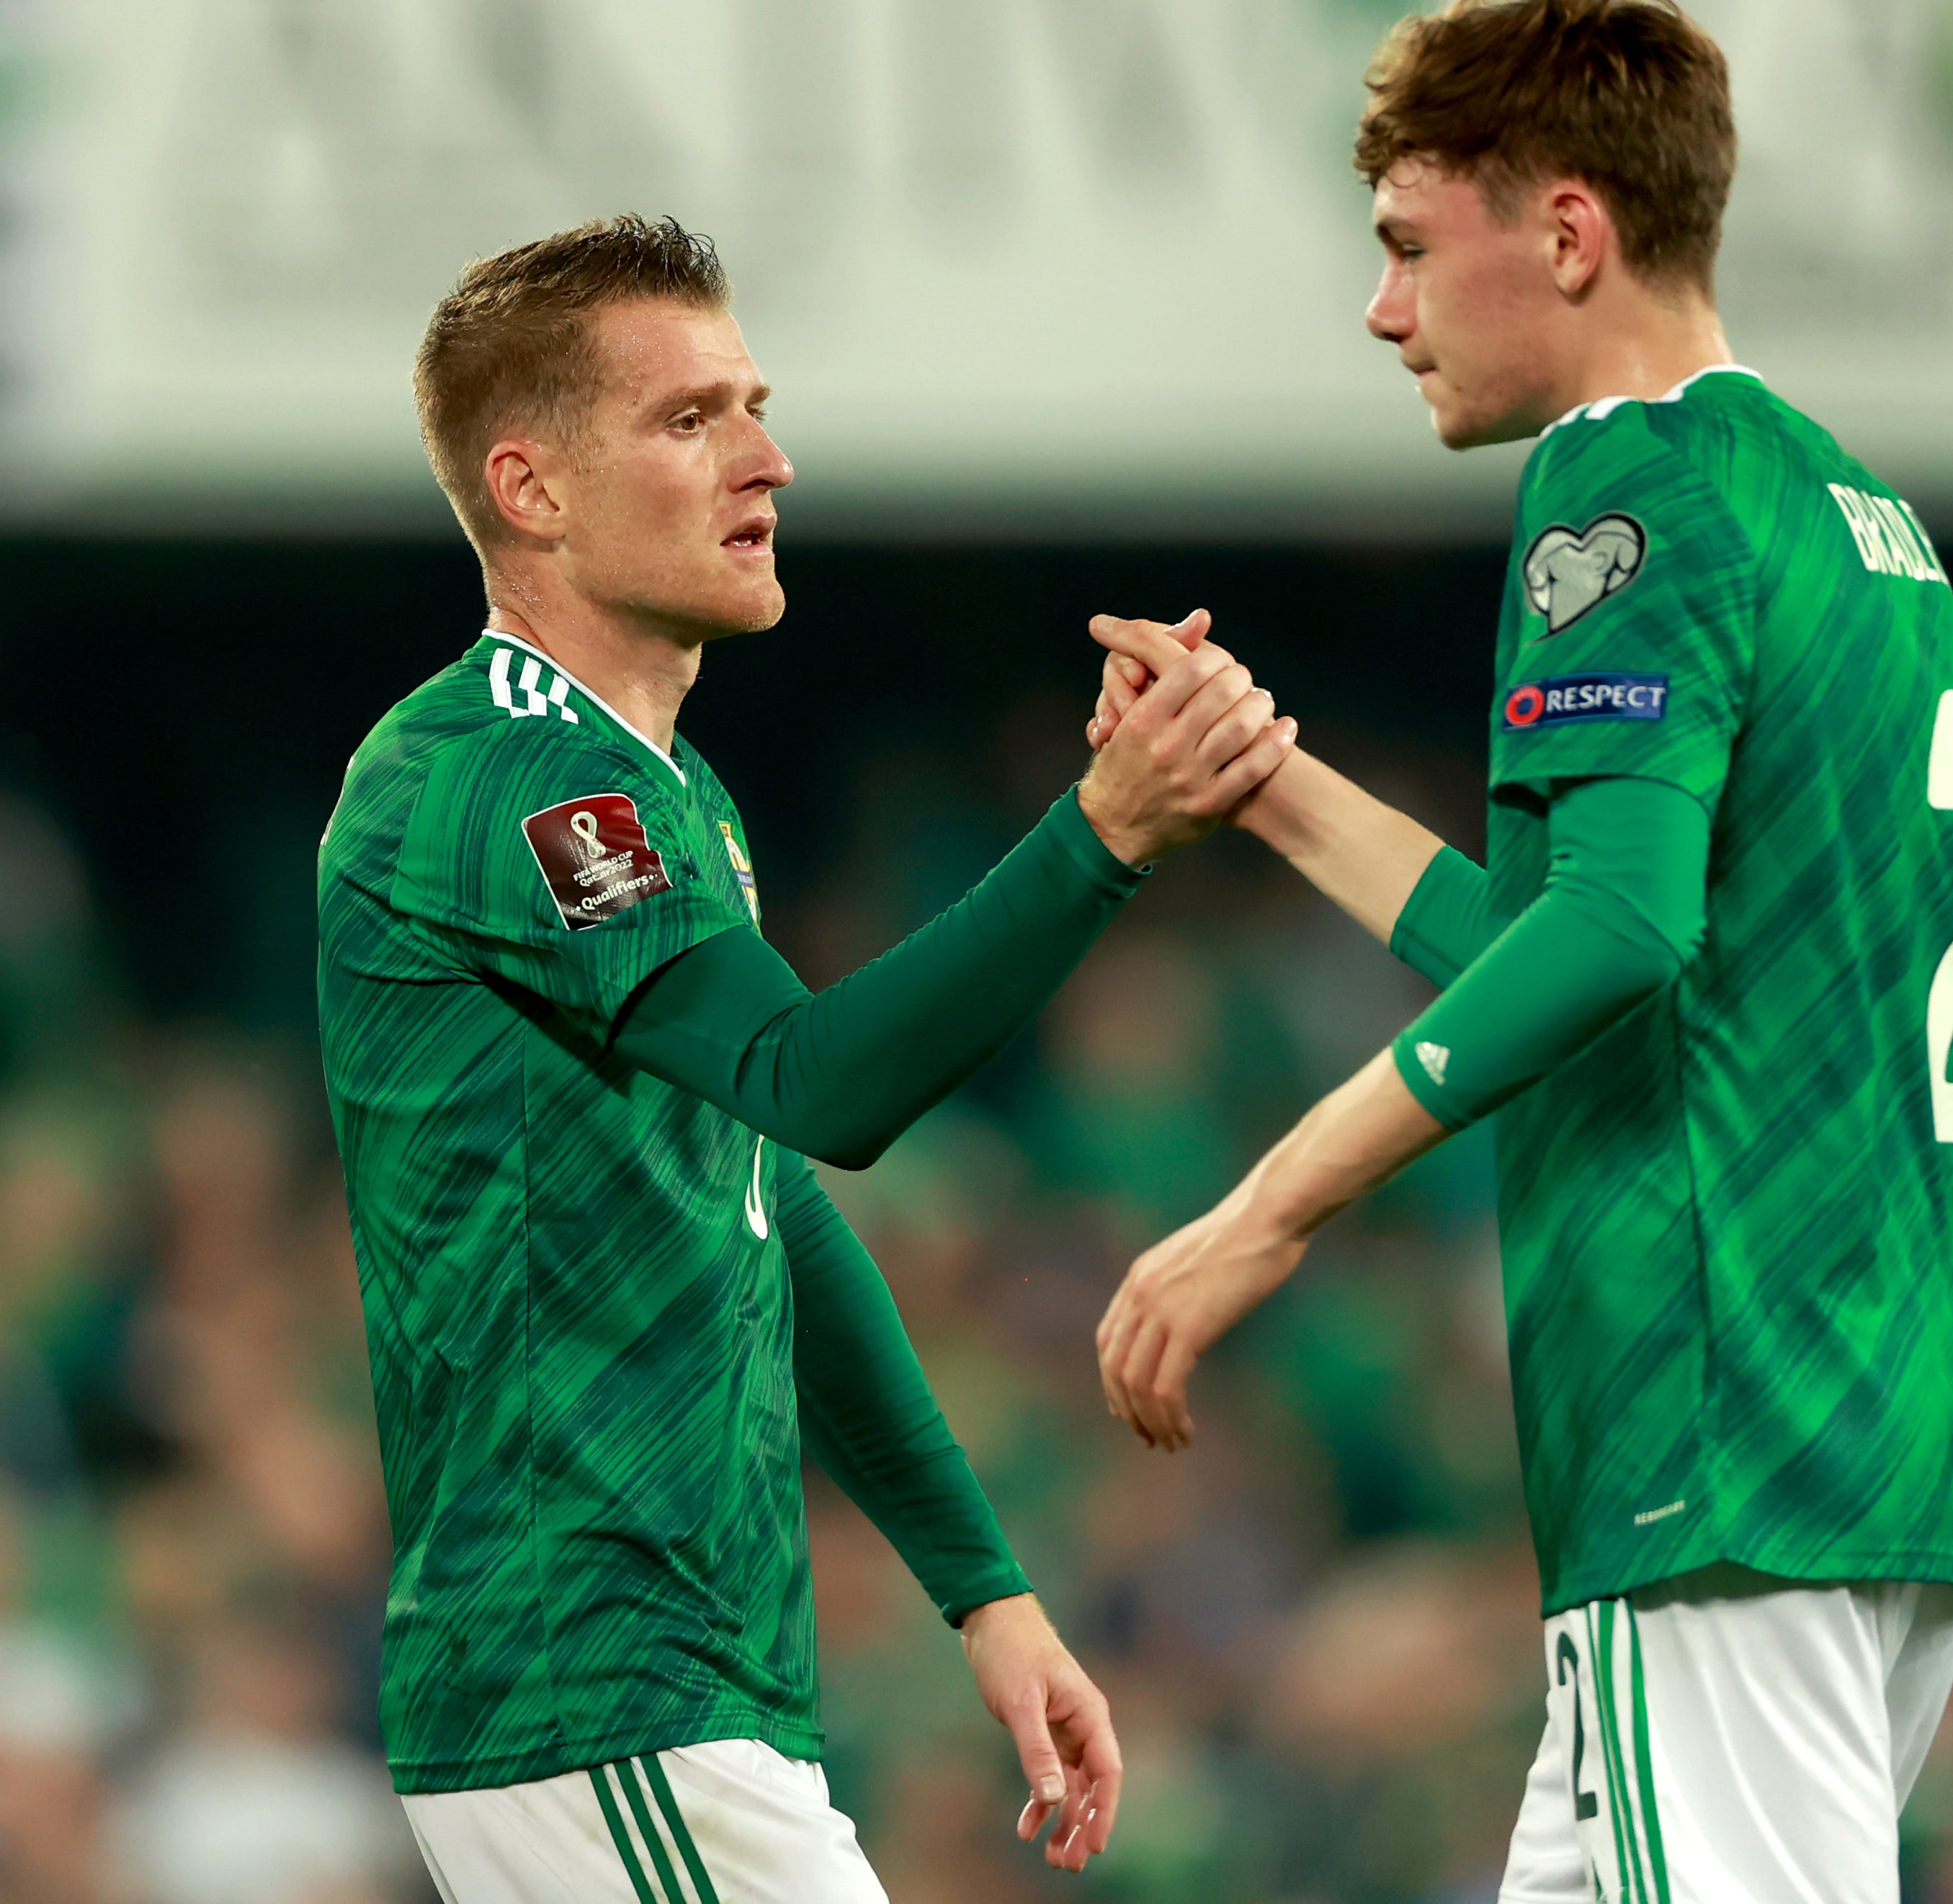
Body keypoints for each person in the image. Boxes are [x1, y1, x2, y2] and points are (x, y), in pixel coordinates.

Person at [1085, 0, 1953, 1903]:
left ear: (1568, 232)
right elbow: (1581, 944)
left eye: (1411, 246)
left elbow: (1606, 932)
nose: (1384, 307)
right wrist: (1267, 780)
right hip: (1870, 1409)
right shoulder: (1855, 513)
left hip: (1722, 1414)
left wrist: (1272, 1197)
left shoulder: (1628, 478)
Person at [316, 214, 1295, 1903]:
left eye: (754, 404)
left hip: (672, 1686)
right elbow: (818, 1083)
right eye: (690, 418)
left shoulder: (668, 796)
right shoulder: (502, 781)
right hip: (593, 1677)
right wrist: (1105, 833)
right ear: (532, 489)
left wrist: (983, 1585)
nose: (767, 455)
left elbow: (774, 1202)